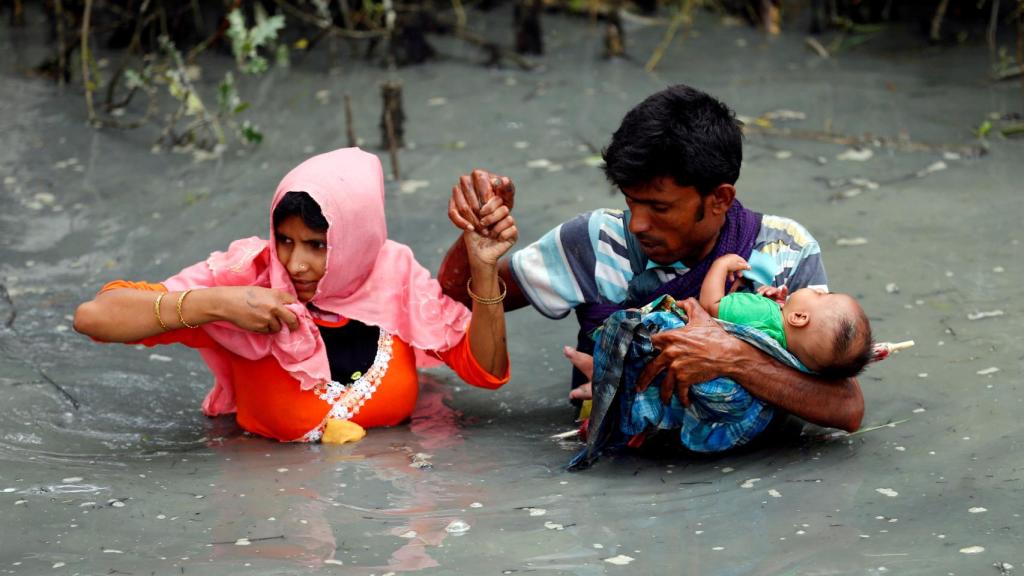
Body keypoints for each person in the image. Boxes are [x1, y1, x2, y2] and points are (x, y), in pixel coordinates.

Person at [439, 84, 864, 435]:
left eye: (659, 208)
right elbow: (453, 298)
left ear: (719, 199)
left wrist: (731, 357)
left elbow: (845, 408)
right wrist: (477, 243)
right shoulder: (593, 241)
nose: (638, 224)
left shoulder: (785, 251)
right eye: (630, 202)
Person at [74, 148, 518, 443]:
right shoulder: (244, 279)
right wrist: (217, 305)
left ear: (356, 241)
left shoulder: (394, 277)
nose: (295, 264)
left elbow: (486, 371)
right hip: (273, 522)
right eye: (285, 240)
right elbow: (94, 317)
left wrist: (482, 267)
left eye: (317, 245)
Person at [699, 254, 873, 380]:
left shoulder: (762, 313)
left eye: (822, 296)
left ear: (798, 317)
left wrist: (720, 266)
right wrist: (778, 306)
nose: (820, 290)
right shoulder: (793, 363)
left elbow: (710, 306)